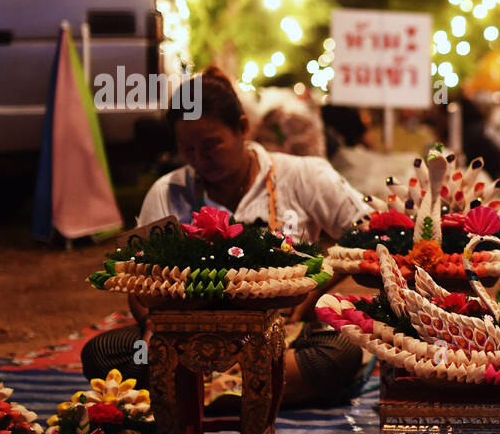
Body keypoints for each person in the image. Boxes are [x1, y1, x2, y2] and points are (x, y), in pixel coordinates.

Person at [80, 66, 368, 407]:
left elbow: (362, 234)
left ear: (243, 128)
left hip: (277, 333)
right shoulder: (167, 192)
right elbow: (138, 281)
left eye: (211, 145)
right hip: (187, 339)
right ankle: (255, 390)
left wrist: (308, 296)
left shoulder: (303, 174)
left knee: (343, 350)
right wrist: (153, 323)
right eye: (188, 150)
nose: (201, 159)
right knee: (102, 354)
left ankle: (196, 391)